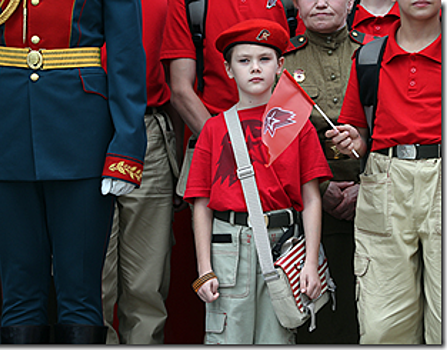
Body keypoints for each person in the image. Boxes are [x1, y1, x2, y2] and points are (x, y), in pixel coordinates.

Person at [0, 0, 146, 344]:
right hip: (5, 130)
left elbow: (127, 52)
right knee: (19, 296)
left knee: (81, 296)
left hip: (82, 134)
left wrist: (126, 145)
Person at [184, 19, 333, 344]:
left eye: (264, 60)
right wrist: (204, 267)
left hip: (283, 248)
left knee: (277, 336)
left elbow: (312, 199)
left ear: (281, 66)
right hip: (228, 250)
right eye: (244, 60)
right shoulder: (213, 129)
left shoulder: (298, 125)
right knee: (227, 336)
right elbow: (200, 203)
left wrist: (310, 262)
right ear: (228, 68)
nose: (255, 68)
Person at [326, 0, 441, 344]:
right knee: (381, 326)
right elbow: (362, 135)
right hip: (385, 181)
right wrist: (352, 141)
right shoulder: (368, 57)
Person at [281, 0, 374, 343]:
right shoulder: (283, 63)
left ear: (351, 2)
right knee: (328, 321)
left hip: (377, 200)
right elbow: (274, 145)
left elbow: (392, 127)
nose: (321, 2)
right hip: (311, 212)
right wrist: (320, 189)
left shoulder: (373, 55)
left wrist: (368, 187)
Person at [100, 0, 183, 344]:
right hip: (82, 125)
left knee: (147, 284)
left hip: (146, 127)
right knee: (90, 284)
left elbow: (180, 81)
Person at [161, 0, 290, 199]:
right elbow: (180, 90)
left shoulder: (288, 3)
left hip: (278, 142)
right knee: (216, 223)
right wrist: (230, 148)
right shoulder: (191, 3)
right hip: (214, 141)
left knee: (282, 224)